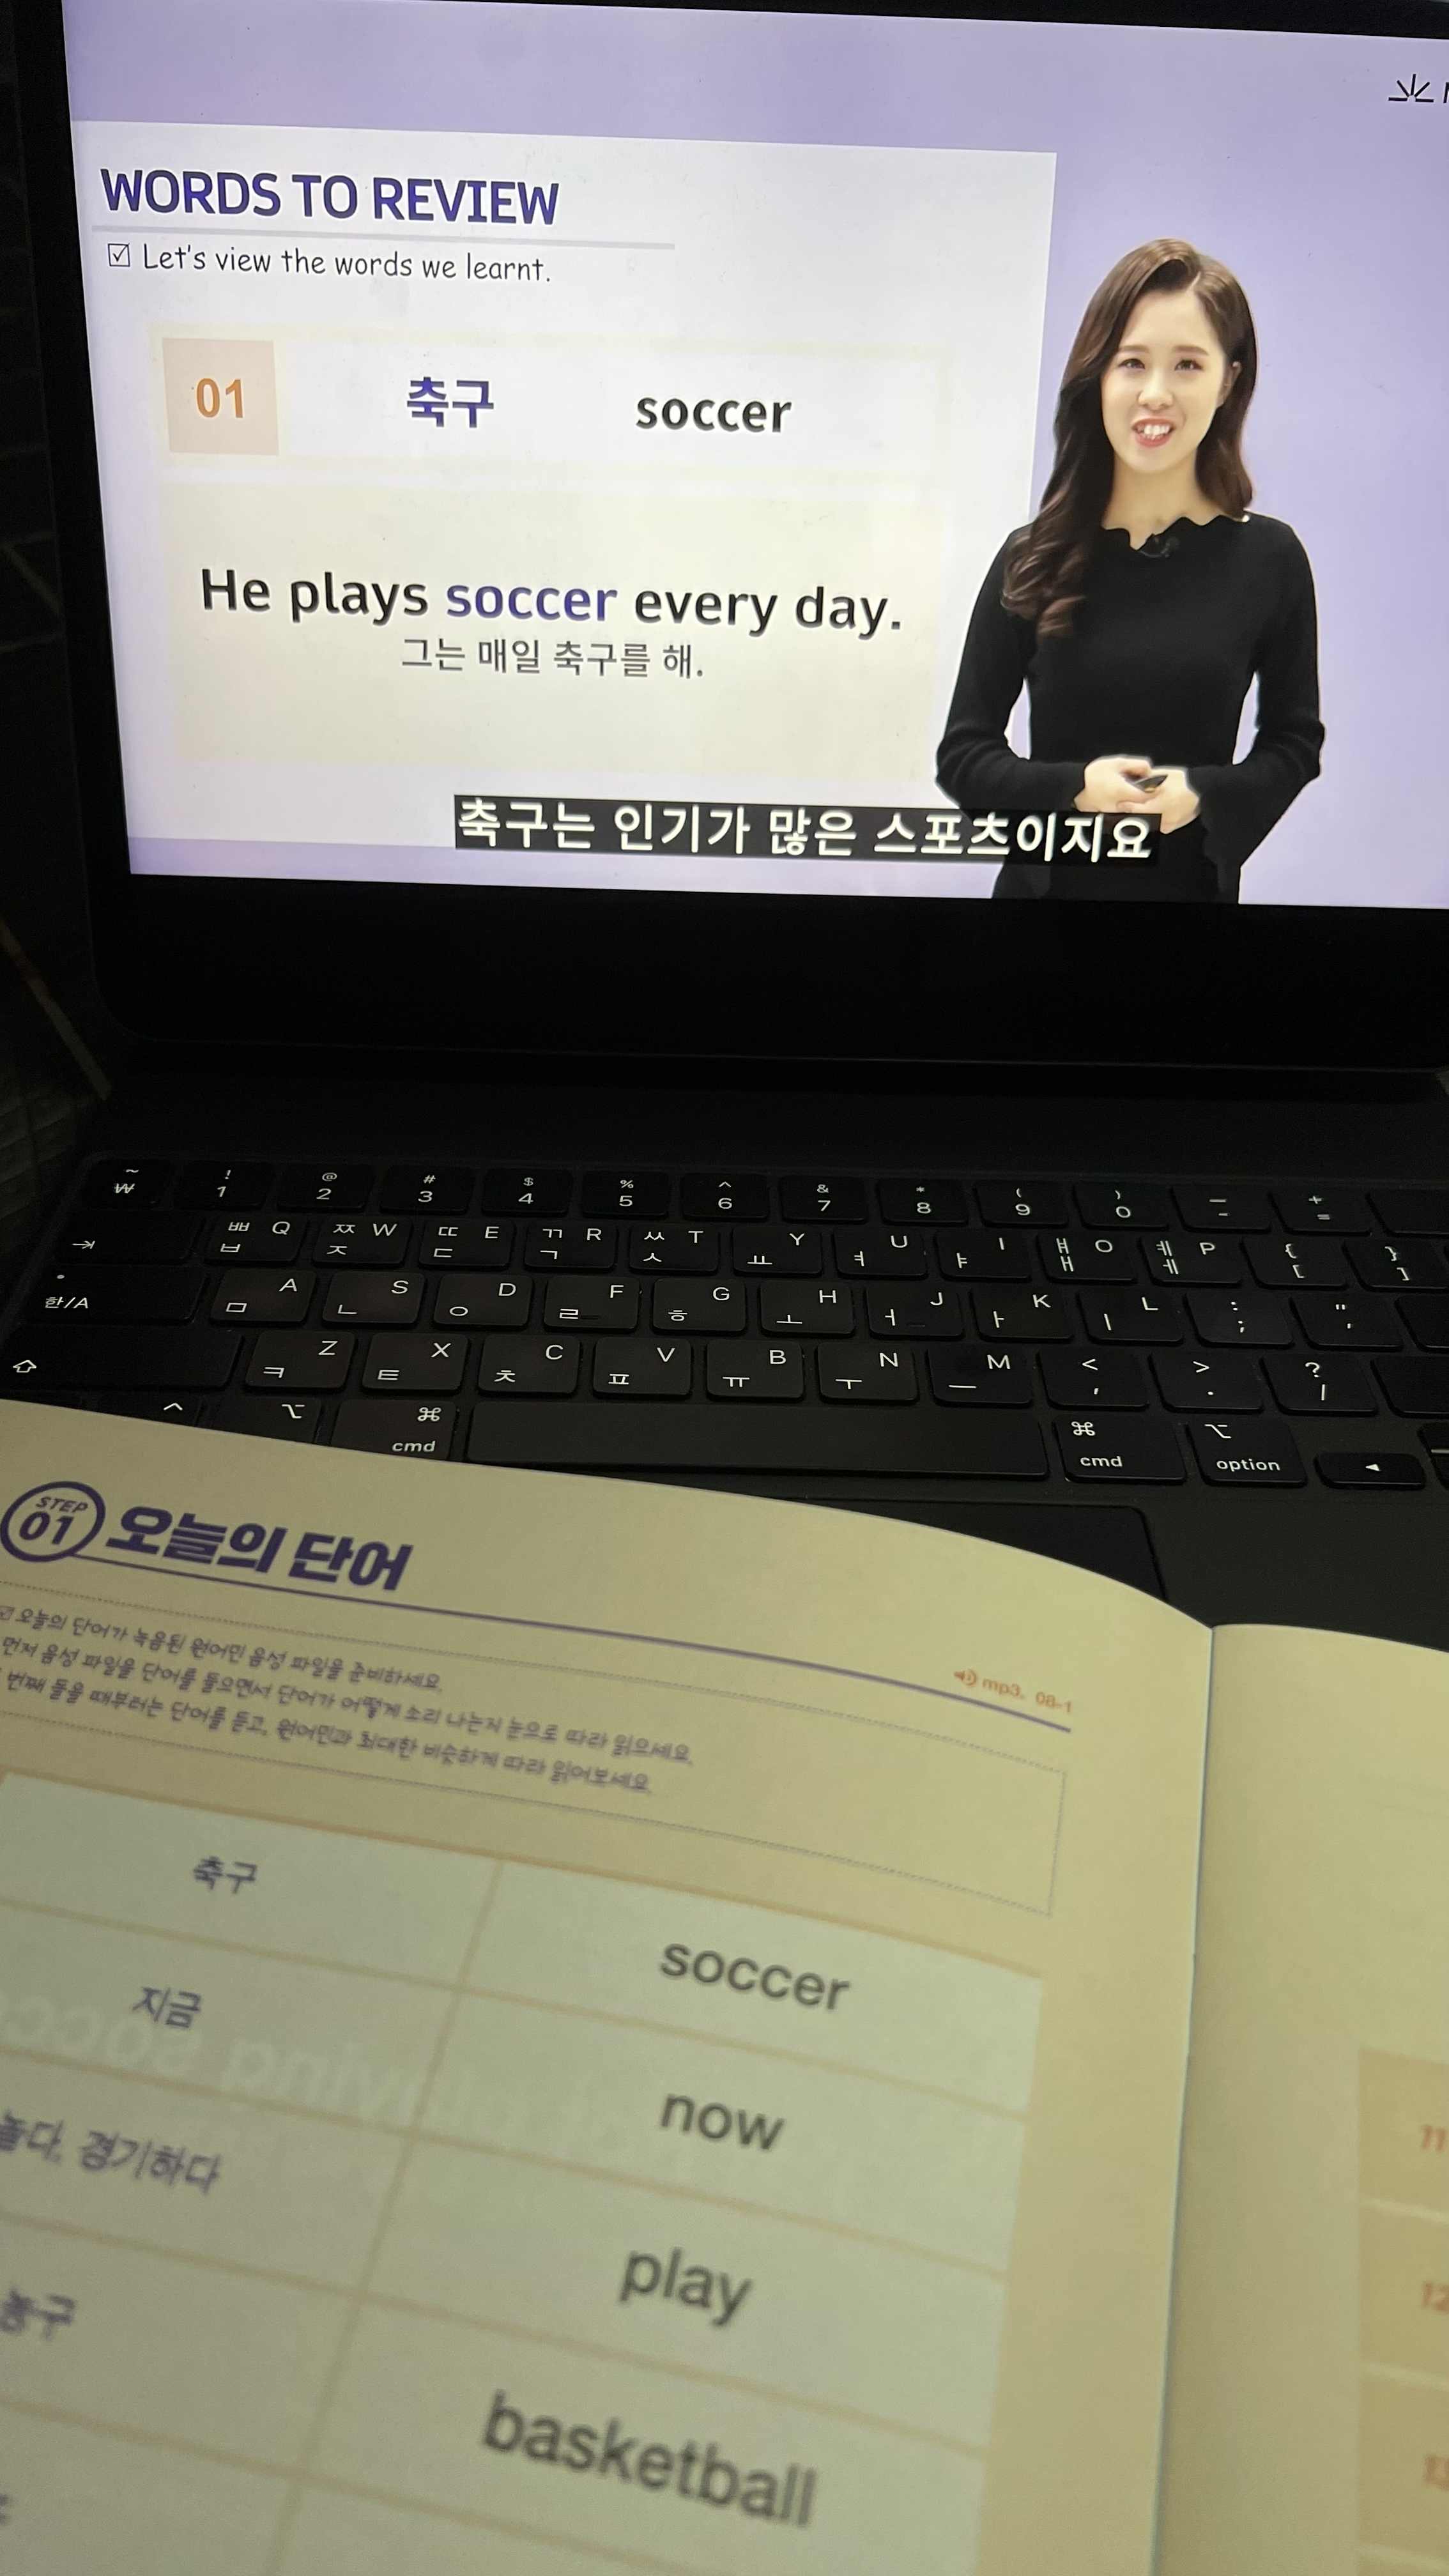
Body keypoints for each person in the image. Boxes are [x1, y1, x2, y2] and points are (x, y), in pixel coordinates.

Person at [936, 238, 1324, 902]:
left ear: (1228, 381)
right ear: (1099, 377)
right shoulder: (1031, 557)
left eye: (1188, 365)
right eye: (1132, 363)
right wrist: (1076, 789)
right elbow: (965, 753)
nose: (1155, 394)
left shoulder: (1272, 559)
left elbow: (1294, 744)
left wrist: (1200, 796)